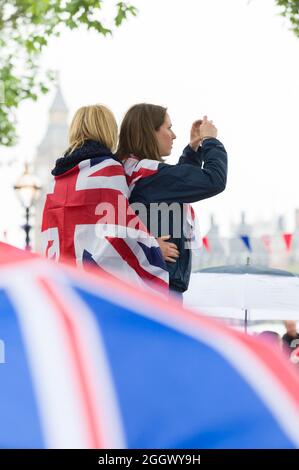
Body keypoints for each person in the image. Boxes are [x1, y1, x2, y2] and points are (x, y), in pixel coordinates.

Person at [41, 104, 169, 294]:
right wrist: (154, 249)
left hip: (64, 280)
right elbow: (121, 229)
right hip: (98, 283)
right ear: (108, 130)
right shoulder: (108, 169)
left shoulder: (57, 179)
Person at [117, 103, 228, 298]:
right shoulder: (151, 175)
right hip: (160, 285)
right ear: (149, 133)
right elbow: (214, 180)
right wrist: (210, 141)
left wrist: (193, 150)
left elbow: (174, 189)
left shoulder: (131, 170)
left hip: (138, 282)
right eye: (168, 128)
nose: (174, 135)